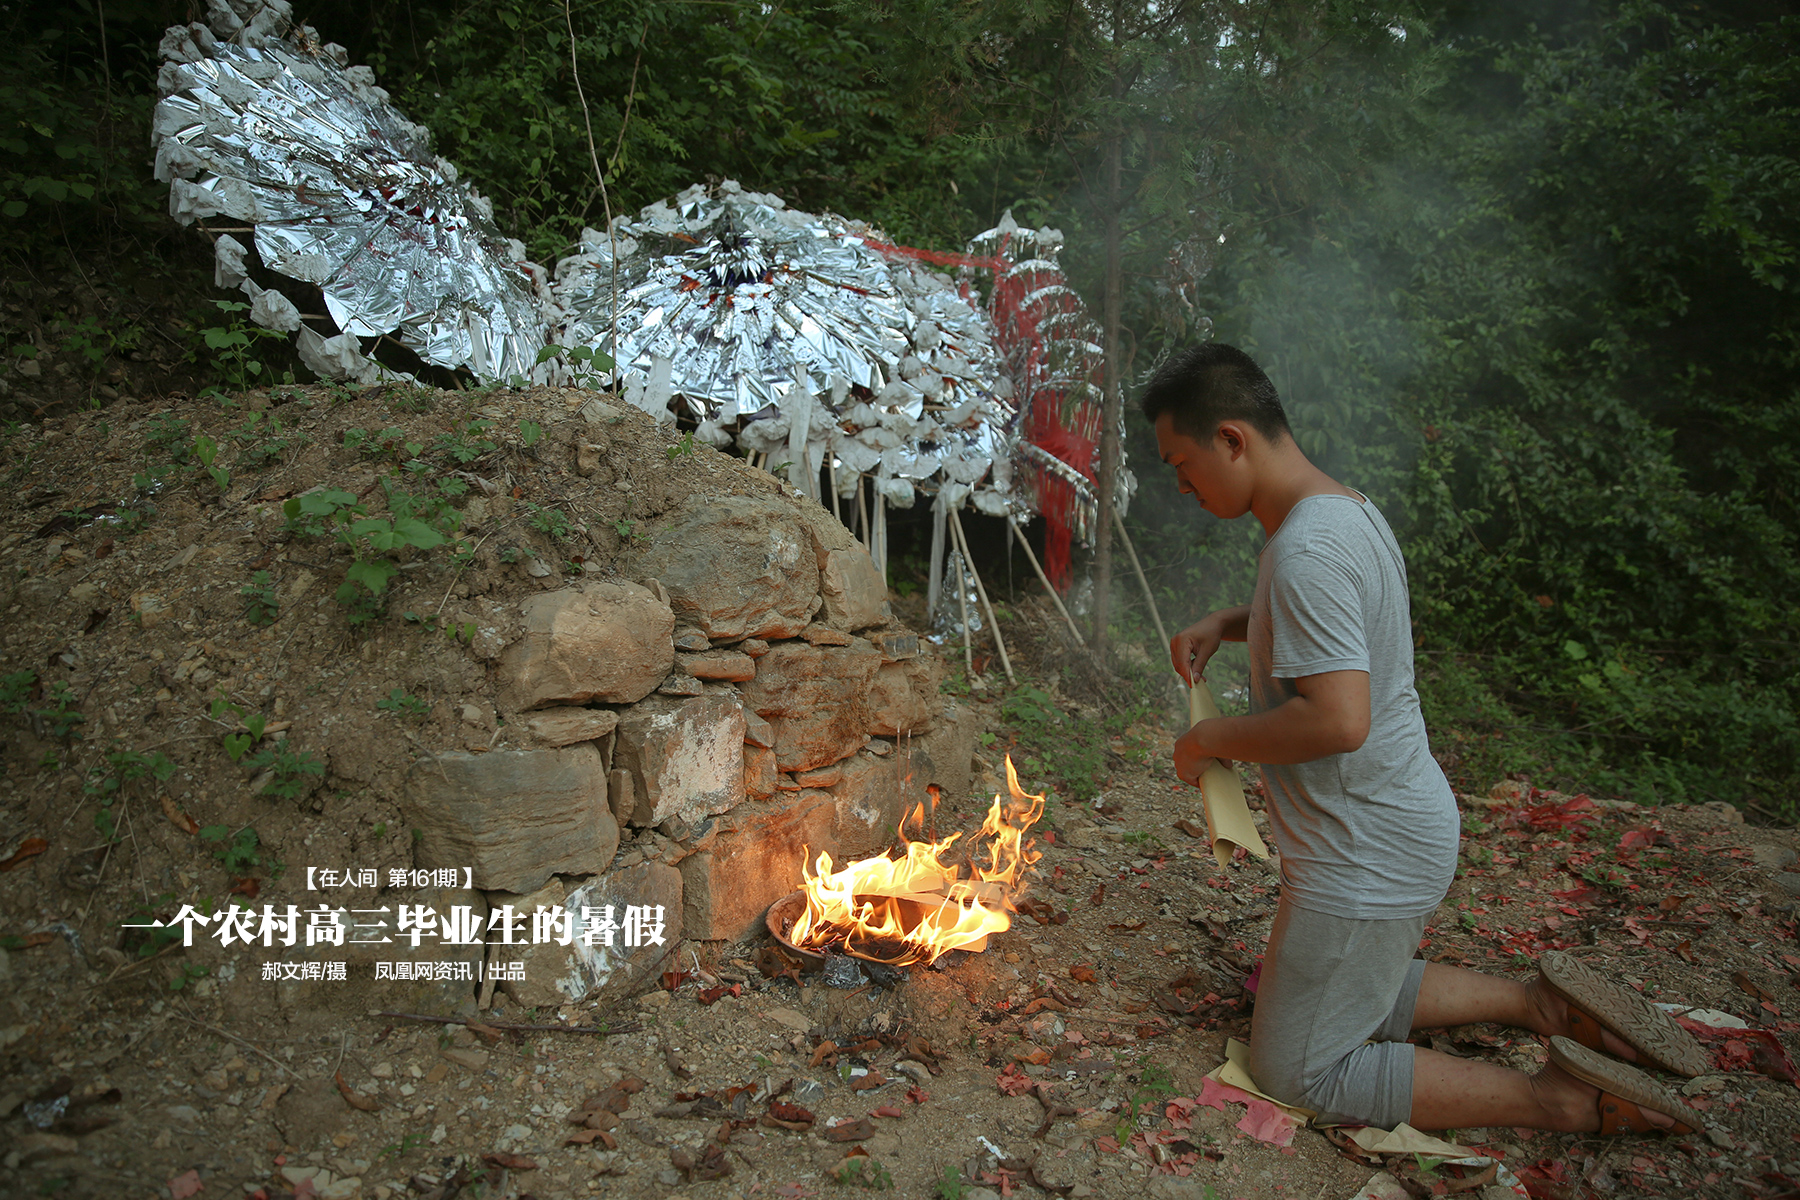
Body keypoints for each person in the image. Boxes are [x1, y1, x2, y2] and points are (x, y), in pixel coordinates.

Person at [1144, 342, 1706, 1135]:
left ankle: (1562, 1100)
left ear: (1231, 439)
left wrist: (1210, 743)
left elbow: (1338, 719)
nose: (1181, 483)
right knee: (1297, 984)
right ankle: (1535, 1004)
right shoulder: (1342, 511)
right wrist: (1230, 624)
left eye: (1181, 461)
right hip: (1397, 826)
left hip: (1366, 852)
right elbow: (1344, 625)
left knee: (1294, 1068)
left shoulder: (1306, 550)